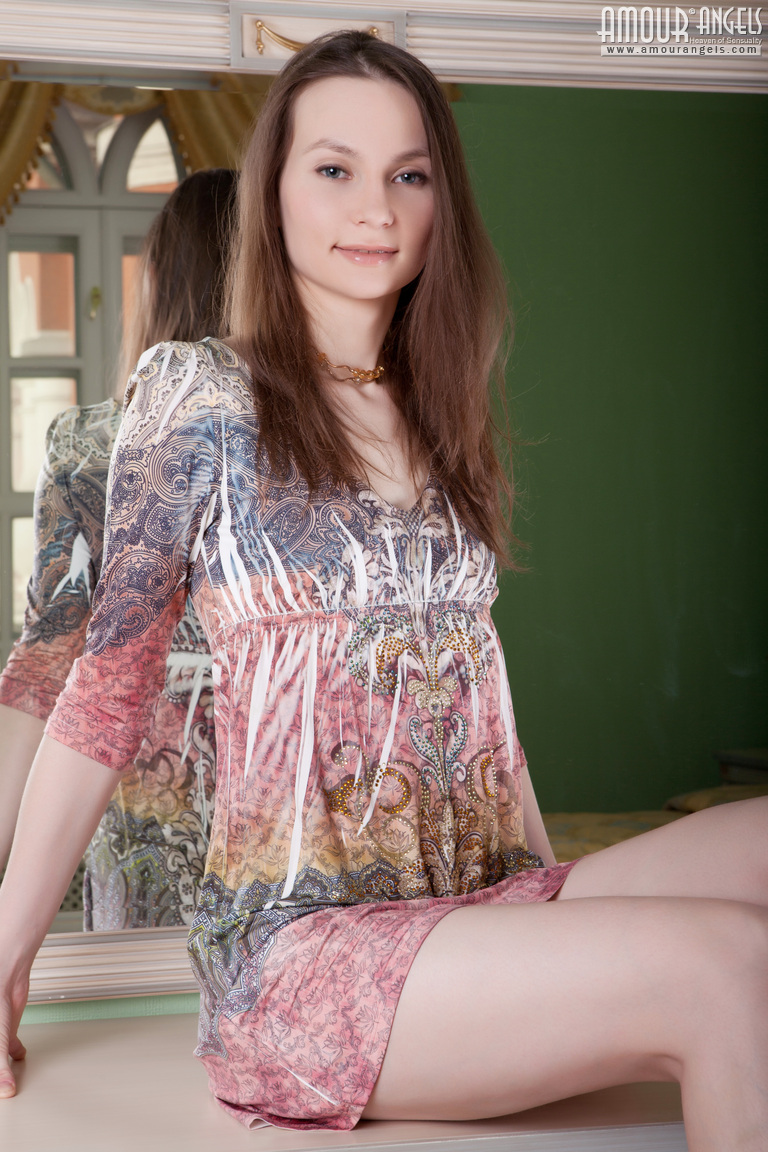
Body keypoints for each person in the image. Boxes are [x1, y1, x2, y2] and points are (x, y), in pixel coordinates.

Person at [0, 33, 766, 1149]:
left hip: (473, 907)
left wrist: (554, 907)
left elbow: (474, 691)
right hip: (306, 959)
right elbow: (102, 692)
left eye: (410, 174)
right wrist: (7, 955)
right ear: (273, 192)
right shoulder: (201, 391)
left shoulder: (440, 403)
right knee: (727, 964)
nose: (377, 208)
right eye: (335, 168)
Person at [0, 169, 237, 928]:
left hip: (136, 811)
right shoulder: (324, 442)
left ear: (159, 282)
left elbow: (43, 663)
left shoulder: (87, 443)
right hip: (282, 808)